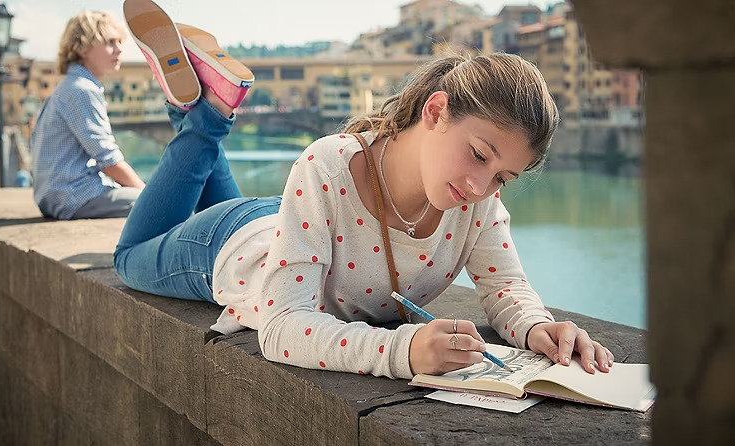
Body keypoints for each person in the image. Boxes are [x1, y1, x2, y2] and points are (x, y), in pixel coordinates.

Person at [114, 0, 615, 380]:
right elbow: (282, 326)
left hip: (291, 224)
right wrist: (403, 352)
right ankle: (206, 118)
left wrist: (537, 327)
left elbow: (507, 289)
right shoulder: (329, 164)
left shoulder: (477, 201)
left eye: (503, 177)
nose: (480, 186)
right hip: (232, 247)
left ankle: (201, 102)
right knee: (126, 258)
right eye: (480, 155)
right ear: (436, 112)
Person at [31, 11, 145, 220]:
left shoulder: (69, 85)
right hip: (72, 196)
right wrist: (149, 195)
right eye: (110, 42)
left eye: (120, 41)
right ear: (82, 48)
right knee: (159, 207)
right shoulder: (82, 90)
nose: (119, 49)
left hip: (55, 195)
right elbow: (109, 160)